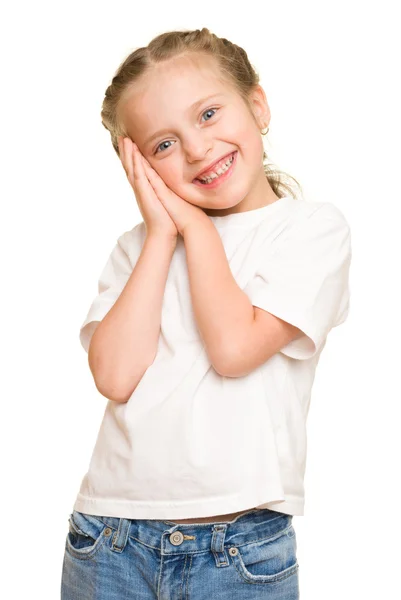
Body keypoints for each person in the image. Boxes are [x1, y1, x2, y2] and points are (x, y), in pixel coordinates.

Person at [61, 27, 352, 599]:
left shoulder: (310, 231)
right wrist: (162, 236)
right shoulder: (138, 246)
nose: (196, 149)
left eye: (209, 114)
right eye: (163, 145)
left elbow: (234, 348)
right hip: (110, 538)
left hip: (240, 548)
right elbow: (115, 376)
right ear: (138, 167)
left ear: (258, 106)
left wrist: (193, 227)